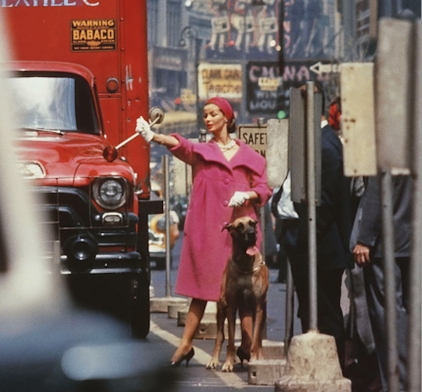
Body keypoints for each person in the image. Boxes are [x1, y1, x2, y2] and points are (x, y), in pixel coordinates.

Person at [136, 96, 272, 366]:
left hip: (239, 233)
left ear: (227, 118)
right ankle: (186, 344)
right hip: (209, 229)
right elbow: (181, 144)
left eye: (212, 114)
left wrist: (247, 194)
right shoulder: (201, 151)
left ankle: (246, 345)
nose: (207, 119)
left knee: (245, 291)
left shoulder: (250, 156)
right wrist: (153, 136)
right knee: (201, 291)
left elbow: (264, 189)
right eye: (205, 115)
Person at [284, 84, 353, 371]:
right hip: (315, 246)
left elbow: (322, 206)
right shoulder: (316, 141)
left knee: (324, 314)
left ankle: (330, 372)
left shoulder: (324, 146)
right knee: (315, 311)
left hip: (320, 249)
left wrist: (303, 240)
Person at [352, 175, 411, 391]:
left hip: (386, 242)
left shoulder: (387, 144)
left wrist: (365, 237)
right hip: (412, 239)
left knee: (389, 321)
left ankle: (399, 384)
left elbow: (377, 189)